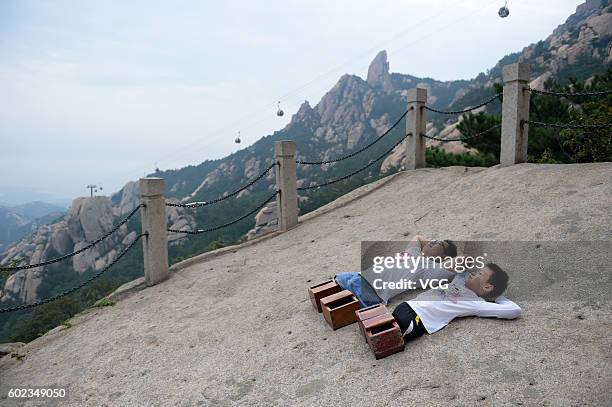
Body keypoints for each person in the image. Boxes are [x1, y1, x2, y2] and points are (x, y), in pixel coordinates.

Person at [391, 263, 521, 341]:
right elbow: (462, 266)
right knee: (376, 326)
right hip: (406, 306)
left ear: (487, 286)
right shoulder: (459, 279)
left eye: (479, 273)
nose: (474, 272)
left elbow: (514, 310)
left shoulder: (475, 303)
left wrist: (497, 297)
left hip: (417, 319)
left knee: (387, 338)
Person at [334, 235, 458, 307]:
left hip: (368, 292)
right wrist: (434, 246)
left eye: (439, 244)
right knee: (325, 292)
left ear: (444, 258)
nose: (433, 241)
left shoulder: (430, 270)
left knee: (332, 306)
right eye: (434, 240)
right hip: (356, 276)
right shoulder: (414, 252)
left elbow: (460, 261)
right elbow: (418, 237)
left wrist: (441, 260)